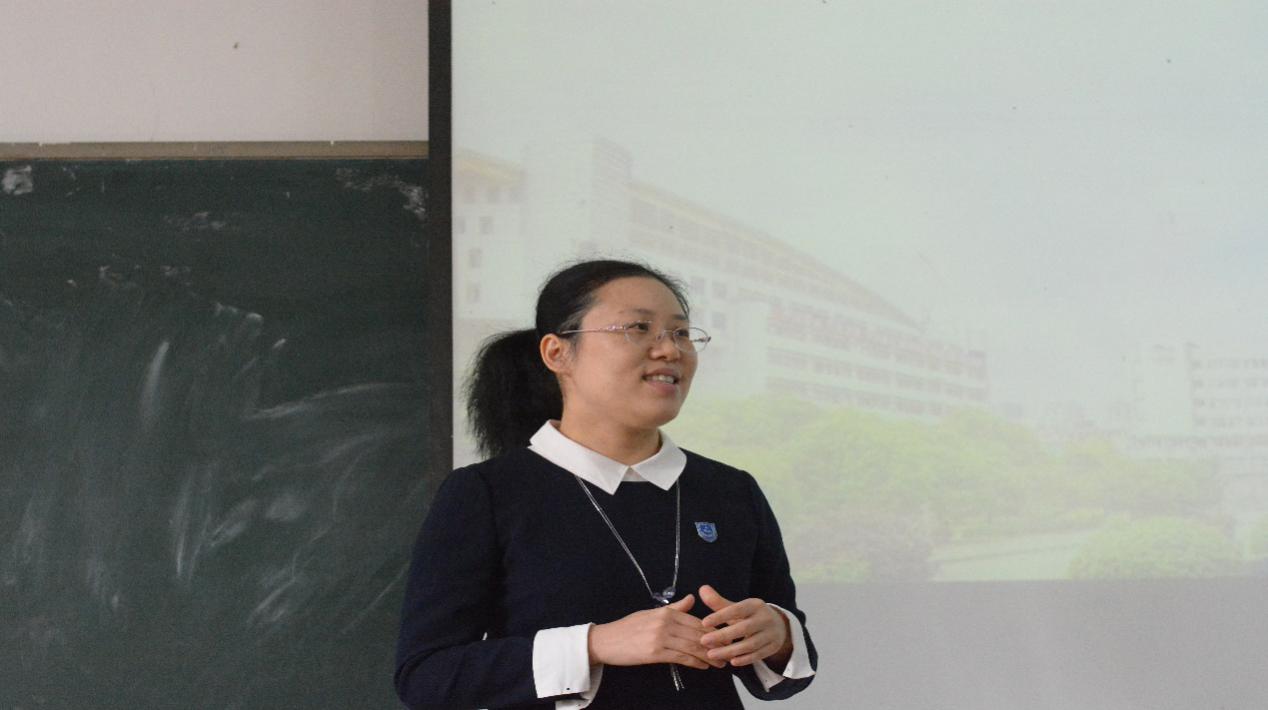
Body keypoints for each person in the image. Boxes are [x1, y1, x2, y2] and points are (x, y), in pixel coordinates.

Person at [395, 259, 817, 709]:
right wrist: (594, 645)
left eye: (680, 333)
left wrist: (779, 635)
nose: (669, 350)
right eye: (638, 328)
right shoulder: (487, 493)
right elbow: (427, 676)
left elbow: (785, 674)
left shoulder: (732, 491)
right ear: (557, 353)